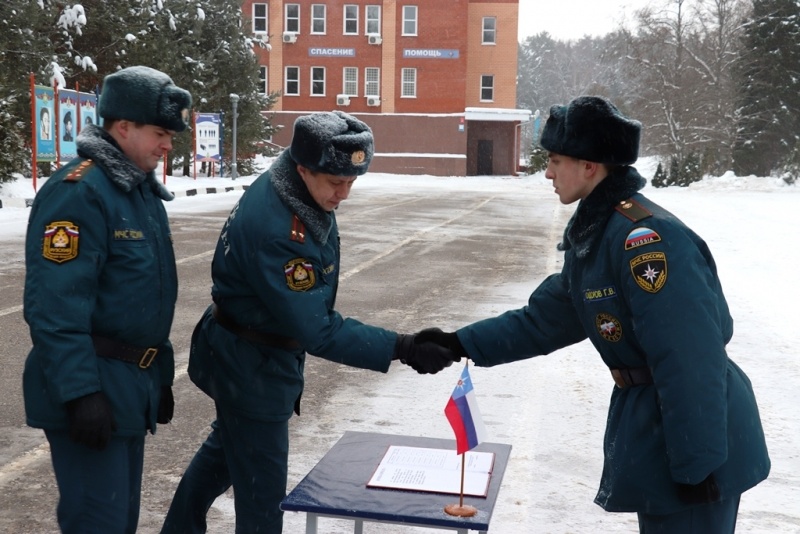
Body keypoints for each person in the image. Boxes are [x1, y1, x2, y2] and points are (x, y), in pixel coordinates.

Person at [415, 96, 770, 533]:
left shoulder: (645, 241)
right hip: (661, 424)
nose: (546, 171)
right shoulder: (599, 234)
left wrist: (698, 467)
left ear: (590, 166)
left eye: (556, 160)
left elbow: (690, 359)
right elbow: (542, 321)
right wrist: (458, 343)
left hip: (695, 433)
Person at [160, 110, 457, 533]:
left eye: (352, 182)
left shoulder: (291, 187)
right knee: (262, 505)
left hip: (242, 355)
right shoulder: (280, 230)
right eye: (336, 183)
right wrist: (401, 346)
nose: (344, 194)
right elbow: (316, 328)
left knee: (225, 453)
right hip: (252, 370)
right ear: (303, 168)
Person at [23, 65, 192, 533]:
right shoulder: (79, 193)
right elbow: (54, 306)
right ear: (123, 128)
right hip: (91, 389)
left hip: (126, 389)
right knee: (98, 523)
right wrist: (80, 395)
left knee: (119, 522)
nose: (167, 144)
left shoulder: (137, 192)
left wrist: (158, 374)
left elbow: (145, 298)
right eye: (160, 132)